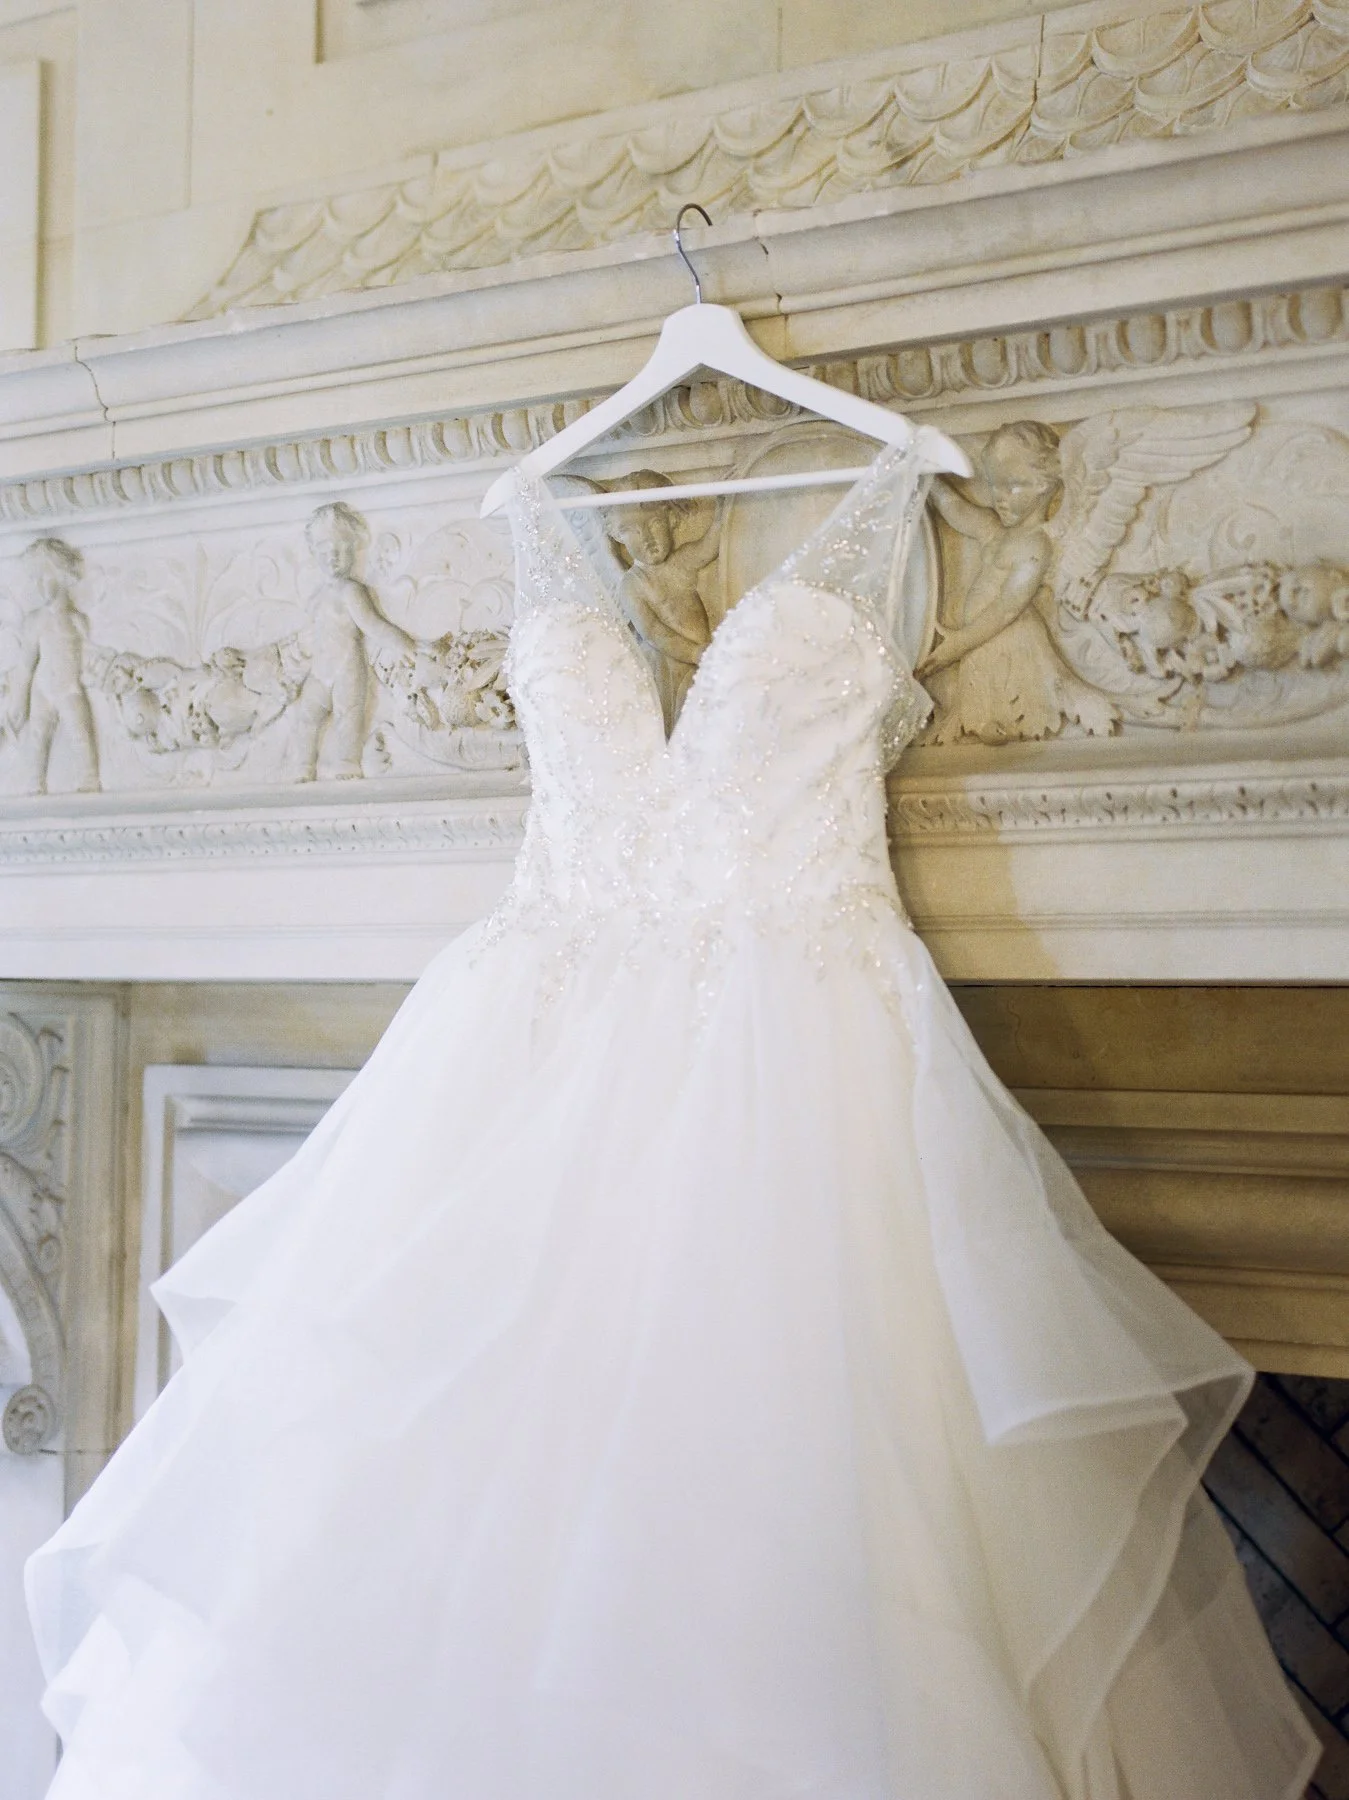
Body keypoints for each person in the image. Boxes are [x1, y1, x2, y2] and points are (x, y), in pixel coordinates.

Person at [27, 447, 1317, 1800]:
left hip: (791, 1068)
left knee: (771, 1523)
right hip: (517, 1073)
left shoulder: (890, 499)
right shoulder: (533, 509)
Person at [4, 538, 99, 794]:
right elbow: (25, 666)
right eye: (33, 579)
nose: (37, 585)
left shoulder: (77, 620)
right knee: (37, 737)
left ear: (61, 573)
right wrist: (17, 702)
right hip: (42, 689)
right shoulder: (34, 621)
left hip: (69, 687)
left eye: (41, 577)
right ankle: (35, 783)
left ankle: (88, 780)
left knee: (80, 732)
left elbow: (90, 654)